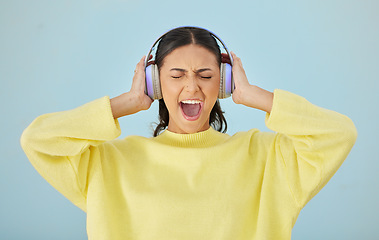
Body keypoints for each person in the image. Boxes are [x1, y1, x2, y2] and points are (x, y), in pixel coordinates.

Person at [21, 26, 357, 240]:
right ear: (155, 83)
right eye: (177, 75)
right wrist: (128, 102)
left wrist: (253, 95)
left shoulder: (269, 158)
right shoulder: (110, 162)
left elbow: (338, 133)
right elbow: (37, 140)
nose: (192, 86)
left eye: (206, 75)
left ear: (224, 84)